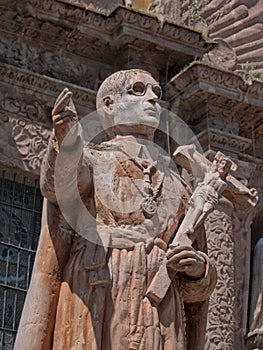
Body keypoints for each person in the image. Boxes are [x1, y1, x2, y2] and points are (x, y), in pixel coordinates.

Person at [14, 69, 217, 350]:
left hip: (162, 306)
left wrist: (198, 270)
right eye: (138, 90)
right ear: (109, 105)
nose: (152, 99)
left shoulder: (178, 184)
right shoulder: (96, 160)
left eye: (156, 93)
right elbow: (60, 185)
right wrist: (67, 137)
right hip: (100, 288)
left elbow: (196, 286)